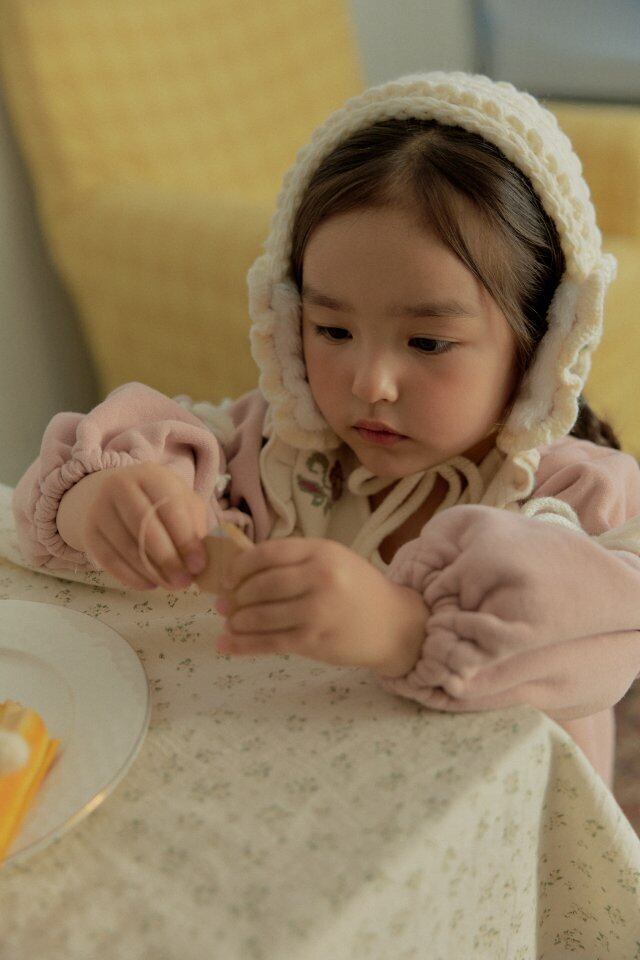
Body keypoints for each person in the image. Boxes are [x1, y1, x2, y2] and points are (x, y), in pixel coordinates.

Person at [12, 71, 640, 791]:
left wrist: (404, 628)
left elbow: (605, 631)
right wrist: (103, 502)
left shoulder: (577, 498)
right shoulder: (269, 451)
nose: (370, 382)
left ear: (542, 343)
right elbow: (68, 491)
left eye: (428, 342)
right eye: (333, 329)